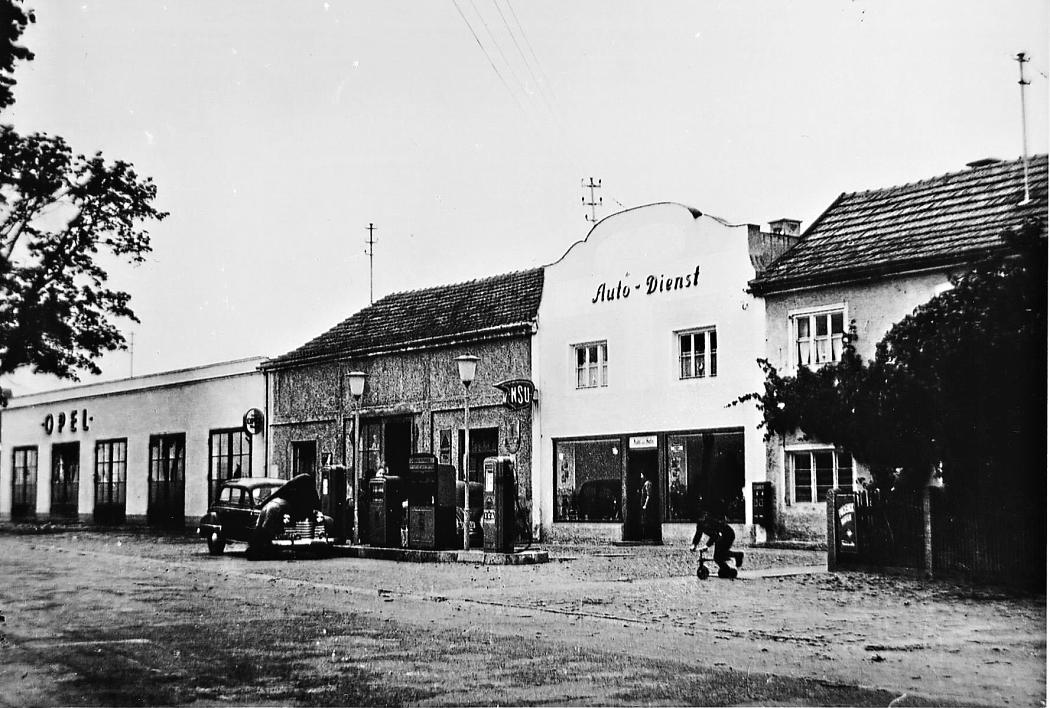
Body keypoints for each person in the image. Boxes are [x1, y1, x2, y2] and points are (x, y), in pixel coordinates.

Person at [691, 510, 744, 577]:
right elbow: (698, 535)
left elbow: (715, 535)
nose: (700, 519)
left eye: (702, 517)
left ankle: (733, 562)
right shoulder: (700, 525)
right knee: (719, 556)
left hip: (727, 535)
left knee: (718, 556)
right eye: (699, 518)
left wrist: (707, 546)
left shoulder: (710, 522)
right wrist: (694, 545)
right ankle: (727, 568)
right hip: (721, 536)